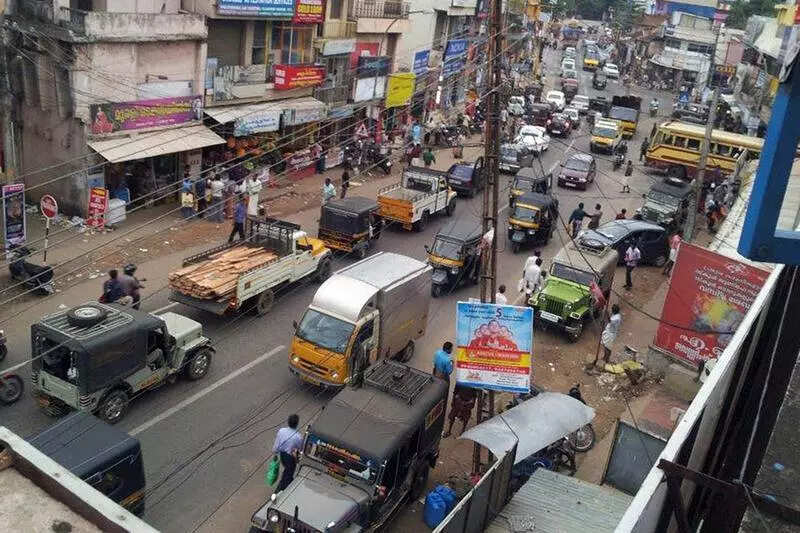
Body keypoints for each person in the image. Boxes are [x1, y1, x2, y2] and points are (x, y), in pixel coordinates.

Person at [273, 414, 304, 492]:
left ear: (288, 422)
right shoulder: (298, 437)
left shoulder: (281, 431)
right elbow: (300, 449)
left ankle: (289, 483)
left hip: (282, 455)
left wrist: (275, 453)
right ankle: (279, 491)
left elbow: (277, 443)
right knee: (287, 474)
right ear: (297, 424)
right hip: (290, 458)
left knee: (288, 472)